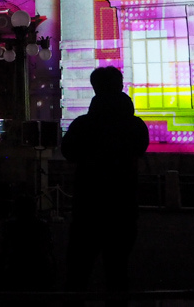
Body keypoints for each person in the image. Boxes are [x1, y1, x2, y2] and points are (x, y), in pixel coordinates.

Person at [61, 66, 149, 304]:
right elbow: (140, 149)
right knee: (118, 270)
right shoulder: (134, 125)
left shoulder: (83, 125)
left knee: (78, 270)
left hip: (88, 205)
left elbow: (68, 151)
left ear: (95, 88)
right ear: (120, 86)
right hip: (122, 205)